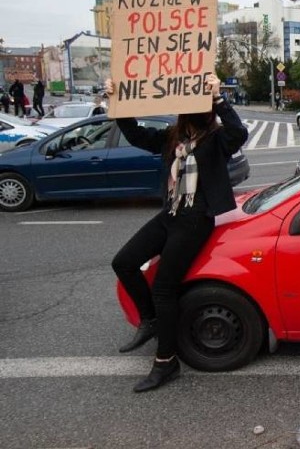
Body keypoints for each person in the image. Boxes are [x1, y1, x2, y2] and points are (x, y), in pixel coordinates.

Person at [105, 75, 248, 393]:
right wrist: (118, 104)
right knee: (124, 262)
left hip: (196, 219)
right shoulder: (173, 137)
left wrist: (219, 97)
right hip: (170, 214)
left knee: (164, 289)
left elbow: (239, 133)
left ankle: (166, 362)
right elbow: (137, 135)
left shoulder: (216, 139)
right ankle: (150, 320)